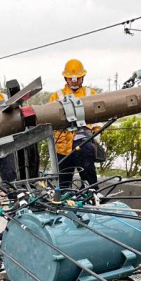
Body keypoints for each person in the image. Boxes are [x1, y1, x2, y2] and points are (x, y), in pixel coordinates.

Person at [48, 59, 99, 189]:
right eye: (71, 79)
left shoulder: (90, 94)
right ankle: (66, 200)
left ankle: (92, 194)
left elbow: (99, 115)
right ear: (66, 78)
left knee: (89, 178)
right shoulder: (56, 96)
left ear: (83, 77)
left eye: (77, 78)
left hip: (83, 142)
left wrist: (97, 133)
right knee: (64, 183)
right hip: (63, 145)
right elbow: (49, 120)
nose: (74, 81)